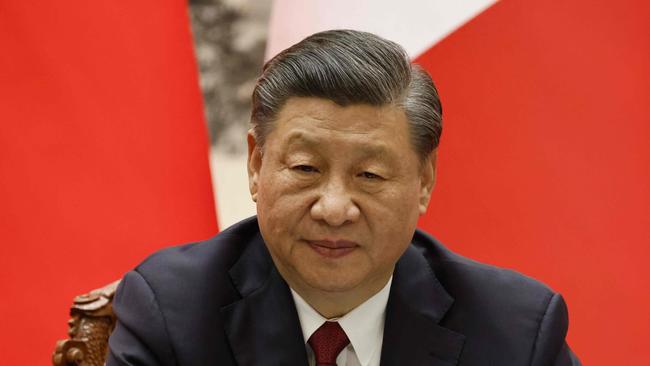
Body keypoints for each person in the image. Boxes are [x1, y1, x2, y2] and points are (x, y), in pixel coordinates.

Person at [107, 30, 581, 366]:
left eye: (369, 174)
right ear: (256, 165)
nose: (334, 209)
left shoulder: (517, 333)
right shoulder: (170, 312)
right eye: (306, 168)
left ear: (424, 180)